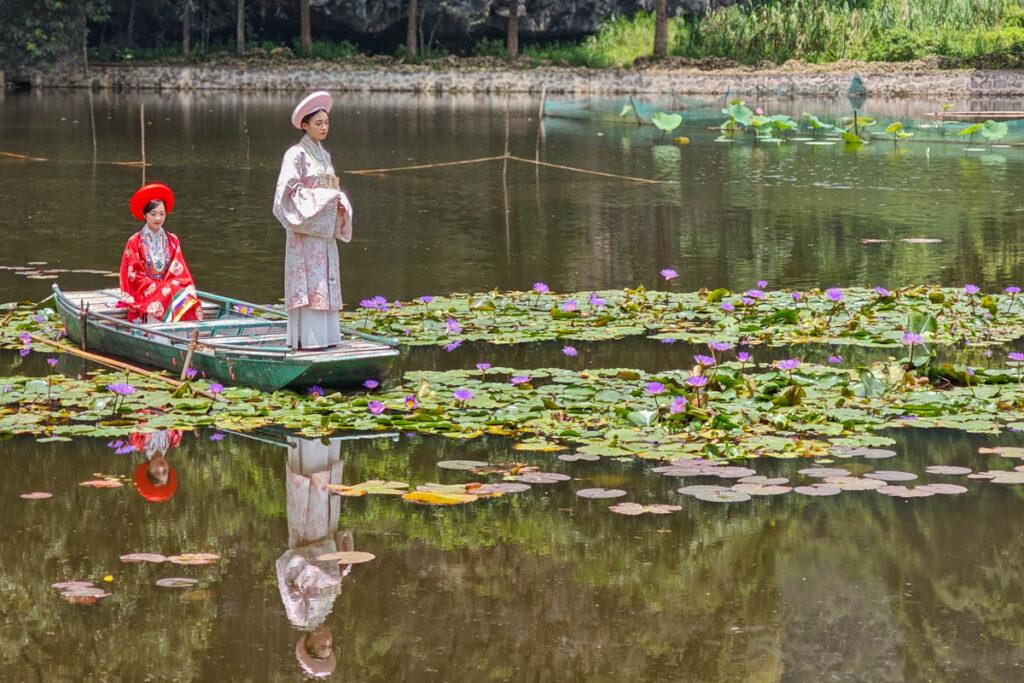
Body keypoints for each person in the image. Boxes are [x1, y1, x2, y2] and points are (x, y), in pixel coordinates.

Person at [272, 91, 353, 350]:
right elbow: (287, 194)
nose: (324, 127)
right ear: (305, 125)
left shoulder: (324, 155)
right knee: (309, 283)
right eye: (318, 123)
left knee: (325, 281)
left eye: (326, 123)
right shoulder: (295, 154)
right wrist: (325, 200)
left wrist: (339, 204)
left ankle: (327, 340)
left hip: (324, 231)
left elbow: (331, 189)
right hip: (305, 232)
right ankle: (307, 342)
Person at [275, 436, 354, 678]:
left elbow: (285, 566)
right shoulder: (323, 613)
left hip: (307, 528)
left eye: (322, 646)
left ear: (308, 645)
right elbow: (328, 575)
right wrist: (341, 567)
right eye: (330, 647)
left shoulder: (299, 615)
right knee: (329, 475)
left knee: (312, 468)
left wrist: (328, 564)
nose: (328, 641)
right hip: (326, 528)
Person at [118, 183, 203, 324]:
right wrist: (157, 288)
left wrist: (169, 287)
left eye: (162, 214)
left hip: (168, 288)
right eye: (153, 214)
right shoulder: (134, 241)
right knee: (166, 295)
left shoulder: (172, 240)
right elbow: (133, 276)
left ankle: (183, 334)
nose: (158, 218)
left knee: (186, 296)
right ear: (144, 215)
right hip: (145, 291)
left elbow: (180, 271)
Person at [129, 429, 182, 502]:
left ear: (148, 469)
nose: (161, 467)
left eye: (156, 472)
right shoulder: (175, 439)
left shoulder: (138, 441)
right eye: (165, 471)